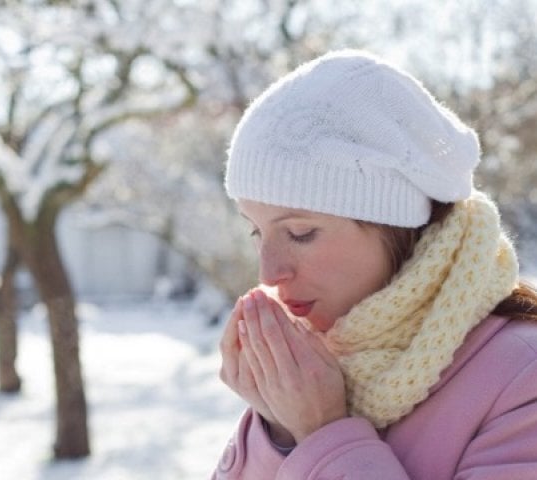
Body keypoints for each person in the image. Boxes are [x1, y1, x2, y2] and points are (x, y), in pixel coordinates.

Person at [212, 49, 537, 479]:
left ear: (395, 226)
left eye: (300, 233)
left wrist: (323, 431)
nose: (269, 274)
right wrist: (279, 429)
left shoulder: (523, 378)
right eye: (258, 231)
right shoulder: (320, 367)